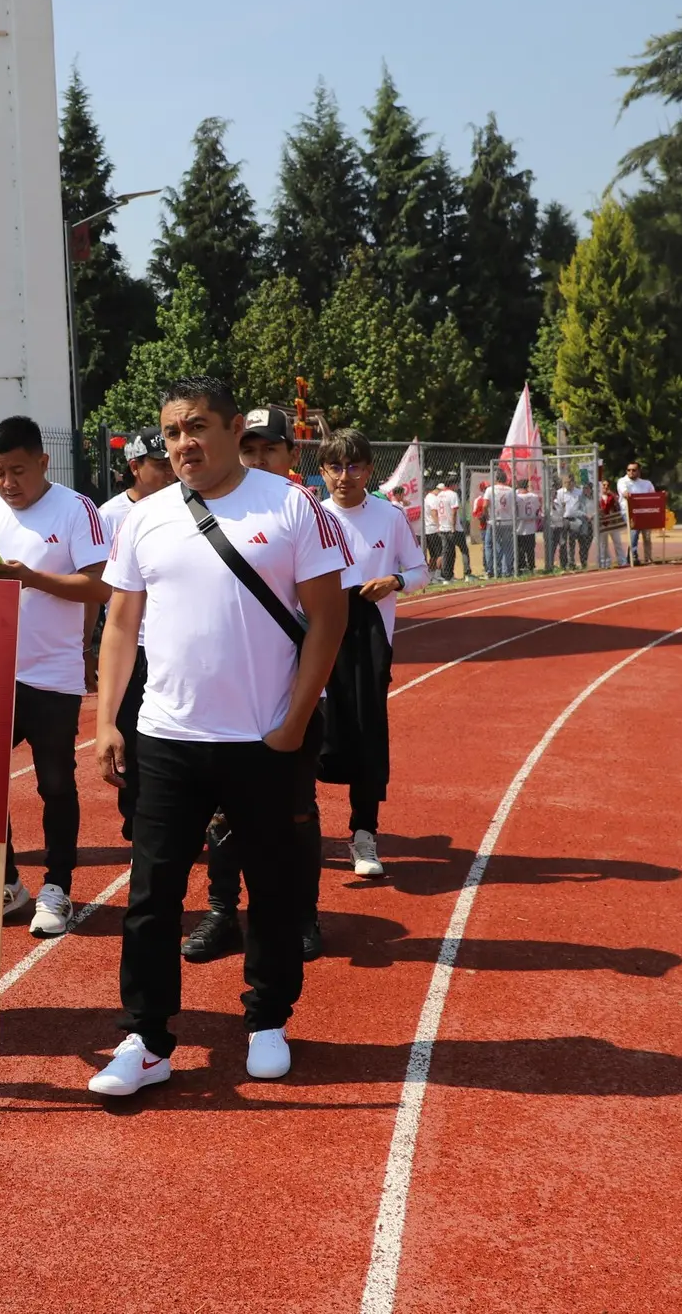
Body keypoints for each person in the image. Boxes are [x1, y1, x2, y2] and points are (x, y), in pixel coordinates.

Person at [88, 376, 349, 1097]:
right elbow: (120, 625)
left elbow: (329, 619)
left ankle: (267, 1017)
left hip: (263, 738)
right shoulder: (144, 518)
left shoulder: (292, 506)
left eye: (198, 426)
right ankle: (147, 1038)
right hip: (166, 736)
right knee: (151, 894)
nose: (183, 444)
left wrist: (294, 721)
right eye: (172, 432)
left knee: (271, 885)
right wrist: (107, 718)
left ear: (235, 428)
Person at [183, 407, 353, 966]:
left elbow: (326, 616)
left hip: (285, 700)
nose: (257, 460)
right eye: (249, 449)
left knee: (294, 812)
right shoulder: (204, 508)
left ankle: (301, 912)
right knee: (218, 815)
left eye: (269, 451)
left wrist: (301, 708)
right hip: (219, 704)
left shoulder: (302, 513)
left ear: (290, 457)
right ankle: (221, 910)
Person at [0, 417, 109, 936]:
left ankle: (57, 886)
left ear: (43, 462)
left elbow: (99, 587)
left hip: (53, 675)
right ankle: (6, 881)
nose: (8, 483)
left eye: (18, 470)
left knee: (55, 783)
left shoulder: (76, 508)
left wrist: (30, 578)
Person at [316, 429, 427, 881]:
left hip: (369, 643)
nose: (345, 476)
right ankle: (297, 828)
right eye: (335, 467)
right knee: (309, 733)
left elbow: (420, 571)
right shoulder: (310, 516)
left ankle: (364, 832)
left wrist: (394, 582)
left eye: (354, 466)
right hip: (315, 636)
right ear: (321, 472)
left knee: (366, 738)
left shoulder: (389, 516)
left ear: (369, 470)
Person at [99, 428, 174, 841]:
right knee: (128, 733)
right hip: (130, 644)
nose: (168, 471)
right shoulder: (111, 515)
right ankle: (135, 814)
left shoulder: (184, 508)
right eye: (158, 465)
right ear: (134, 467)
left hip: (167, 641)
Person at [423, 477, 463, 582]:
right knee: (440, 553)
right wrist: (439, 525)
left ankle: (432, 575)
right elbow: (434, 512)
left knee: (434, 554)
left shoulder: (427, 498)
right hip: (433, 529)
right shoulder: (432, 498)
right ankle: (436, 574)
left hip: (428, 529)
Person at [619, 461, 657, 565]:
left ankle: (648, 558)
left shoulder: (646, 483)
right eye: (628, 470)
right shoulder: (622, 481)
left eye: (634, 470)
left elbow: (653, 496)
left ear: (639, 471)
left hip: (644, 512)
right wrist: (627, 495)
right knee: (634, 529)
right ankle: (633, 555)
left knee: (647, 535)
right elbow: (625, 493)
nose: (631, 472)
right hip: (628, 512)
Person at [484, 473, 517, 578]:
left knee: (489, 545)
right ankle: (506, 570)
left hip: (494, 521)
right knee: (507, 546)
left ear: (496, 479)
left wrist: (487, 516)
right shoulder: (511, 490)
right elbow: (515, 505)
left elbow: (485, 505)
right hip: (507, 521)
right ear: (505, 479)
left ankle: (491, 569)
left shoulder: (490, 489)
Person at [515, 478, 542, 574]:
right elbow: (538, 507)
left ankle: (522, 566)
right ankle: (531, 566)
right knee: (530, 549)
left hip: (519, 527)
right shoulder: (534, 496)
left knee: (520, 549)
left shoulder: (517, 497)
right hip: (530, 527)